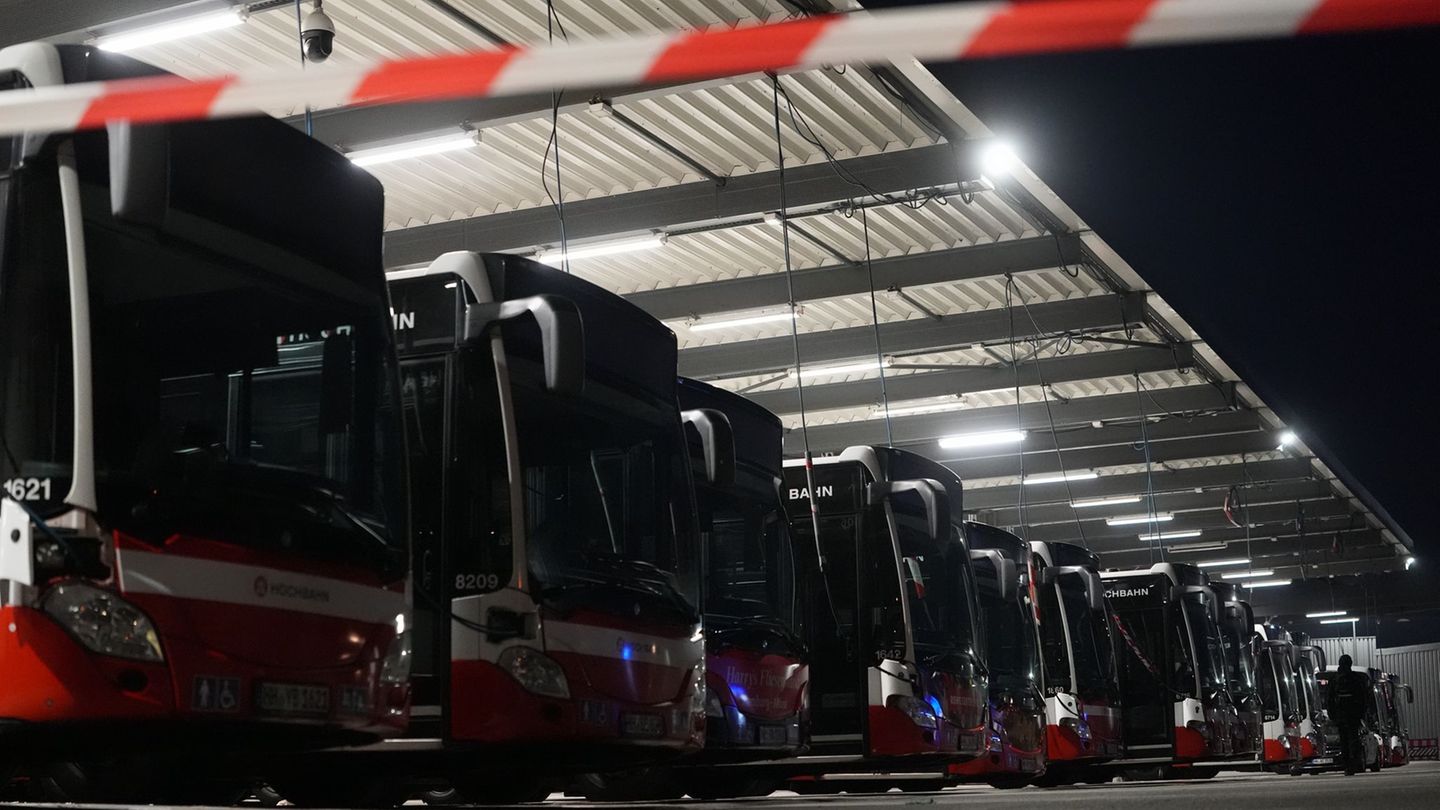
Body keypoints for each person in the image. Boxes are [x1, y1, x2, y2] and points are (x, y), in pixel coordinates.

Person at [1326, 654, 1371, 775]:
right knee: (1354, 739)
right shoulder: (1356, 678)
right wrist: (1361, 714)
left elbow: (1329, 699)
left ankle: (1346, 765)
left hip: (1340, 716)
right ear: (1350, 664)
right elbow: (1363, 698)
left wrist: (1332, 715)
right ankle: (1353, 763)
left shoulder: (1334, 679)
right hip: (1353, 716)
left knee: (1343, 741)